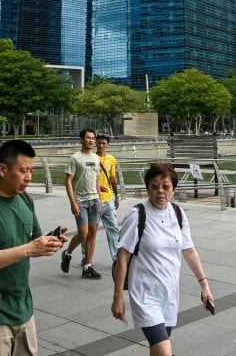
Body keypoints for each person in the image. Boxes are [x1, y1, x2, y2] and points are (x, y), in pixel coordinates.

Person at [0, 139, 66, 356]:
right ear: (2, 169)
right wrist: (28, 249)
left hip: (23, 309)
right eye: (23, 170)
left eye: (32, 170)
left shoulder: (25, 200)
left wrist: (47, 242)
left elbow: (32, 240)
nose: (29, 177)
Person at [111, 162, 213, 356]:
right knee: (165, 351)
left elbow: (189, 250)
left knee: (158, 349)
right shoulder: (137, 214)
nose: (160, 191)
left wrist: (204, 285)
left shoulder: (178, 213)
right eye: (154, 186)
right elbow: (123, 257)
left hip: (169, 294)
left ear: (173, 189)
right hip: (144, 294)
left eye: (165, 186)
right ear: (147, 188)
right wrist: (118, 297)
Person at [61, 129, 102, 278]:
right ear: (81, 140)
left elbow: (97, 179)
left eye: (93, 138)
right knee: (83, 234)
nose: (91, 140)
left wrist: (100, 200)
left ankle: (87, 267)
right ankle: (67, 253)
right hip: (81, 201)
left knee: (92, 234)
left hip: (94, 200)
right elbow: (68, 181)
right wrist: (73, 202)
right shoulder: (75, 158)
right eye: (88, 138)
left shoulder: (96, 158)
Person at [93, 134, 121, 272]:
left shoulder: (111, 159)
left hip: (108, 199)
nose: (100, 145)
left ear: (108, 144)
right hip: (94, 200)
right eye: (98, 143)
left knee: (113, 230)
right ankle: (86, 257)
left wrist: (117, 196)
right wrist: (96, 186)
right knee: (90, 232)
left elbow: (113, 178)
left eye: (103, 143)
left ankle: (116, 259)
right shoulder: (92, 158)